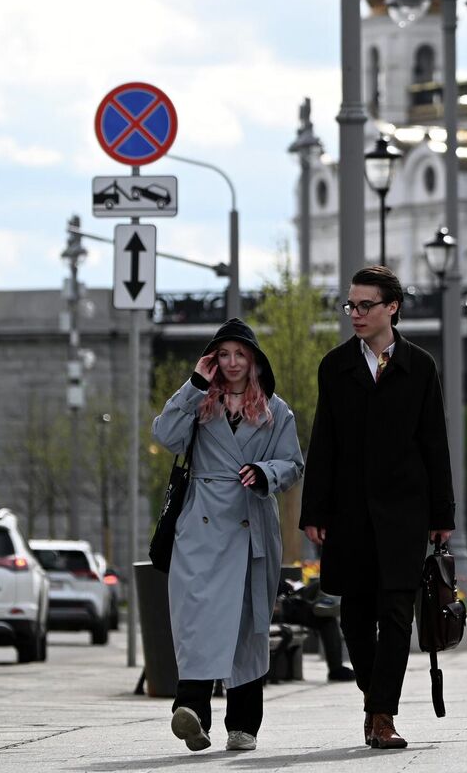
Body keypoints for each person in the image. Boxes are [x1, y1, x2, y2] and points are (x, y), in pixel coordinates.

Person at [299, 265, 454, 751]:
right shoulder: (335, 366)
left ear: (393, 307)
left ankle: (382, 715)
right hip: (349, 514)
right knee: (355, 618)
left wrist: (441, 515)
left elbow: (435, 443)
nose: (356, 314)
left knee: (395, 613)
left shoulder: (421, 366)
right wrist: (314, 510)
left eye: (366, 305)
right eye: (351, 305)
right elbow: (323, 441)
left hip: (405, 514)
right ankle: (375, 700)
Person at [152, 320, 304, 753]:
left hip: (251, 524)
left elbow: (293, 464)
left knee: (246, 625)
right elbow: (164, 435)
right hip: (200, 525)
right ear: (212, 360)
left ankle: (243, 724)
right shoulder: (198, 404)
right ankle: (193, 712)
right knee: (197, 620)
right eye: (223, 354)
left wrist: (265, 473)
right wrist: (194, 384)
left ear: (253, 359)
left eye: (240, 354)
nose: (232, 363)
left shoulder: (277, 410)